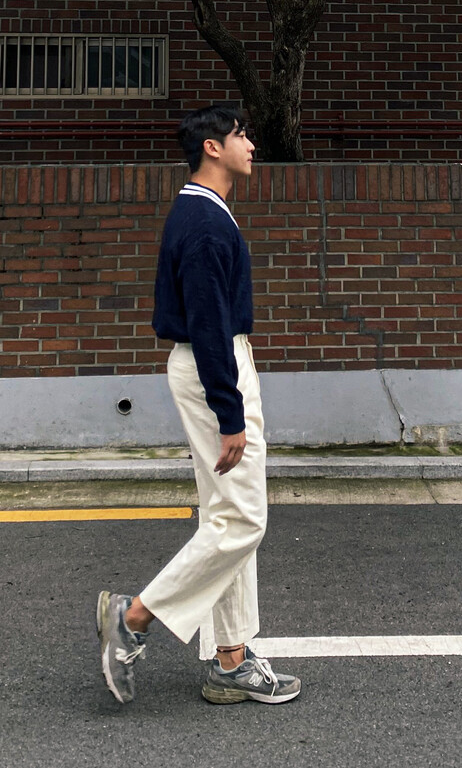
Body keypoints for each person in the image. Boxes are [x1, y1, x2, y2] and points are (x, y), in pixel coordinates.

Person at [96, 103, 301, 706]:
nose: (251, 144)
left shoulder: (201, 210)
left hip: (210, 362)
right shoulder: (206, 222)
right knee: (244, 520)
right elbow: (209, 322)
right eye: (241, 134)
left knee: (226, 516)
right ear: (213, 147)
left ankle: (231, 659)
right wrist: (230, 413)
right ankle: (133, 617)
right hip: (215, 363)